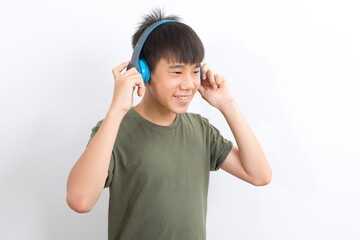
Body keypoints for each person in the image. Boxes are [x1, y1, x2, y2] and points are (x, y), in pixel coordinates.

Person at [66, 8, 272, 240]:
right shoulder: (114, 130)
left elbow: (259, 175)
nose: (188, 84)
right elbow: (80, 201)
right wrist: (117, 110)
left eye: (195, 71)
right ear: (143, 72)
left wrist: (228, 105)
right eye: (176, 72)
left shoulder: (201, 130)